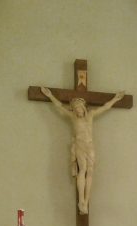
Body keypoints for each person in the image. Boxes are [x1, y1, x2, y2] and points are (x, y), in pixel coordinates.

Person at [41, 86, 125, 214]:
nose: (78, 111)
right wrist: (50, 95)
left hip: (90, 145)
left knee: (90, 171)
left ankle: (86, 200)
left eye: (79, 109)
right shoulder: (73, 117)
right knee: (83, 169)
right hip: (80, 145)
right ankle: (81, 199)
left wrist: (115, 99)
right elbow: (59, 107)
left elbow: (105, 107)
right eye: (75, 109)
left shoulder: (90, 116)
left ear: (84, 108)